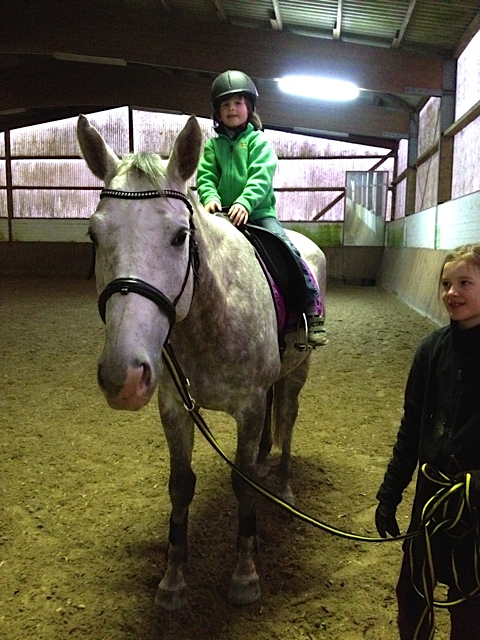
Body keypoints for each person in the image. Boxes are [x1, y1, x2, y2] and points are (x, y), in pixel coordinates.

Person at [375, 243, 480, 639]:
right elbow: (412, 428)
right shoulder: (430, 351)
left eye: (465, 283)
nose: (452, 293)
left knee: (470, 606)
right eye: (446, 284)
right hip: (431, 500)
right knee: (412, 594)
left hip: (475, 508)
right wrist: (390, 493)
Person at [196, 69, 327, 347]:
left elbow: (260, 176)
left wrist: (244, 202)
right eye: (225, 104)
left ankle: (311, 307)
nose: (232, 109)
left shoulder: (259, 143)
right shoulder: (212, 148)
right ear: (217, 113)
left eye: (238, 103)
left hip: (257, 215)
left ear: (250, 107)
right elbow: (205, 177)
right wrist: (209, 198)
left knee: (285, 248)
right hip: (221, 217)